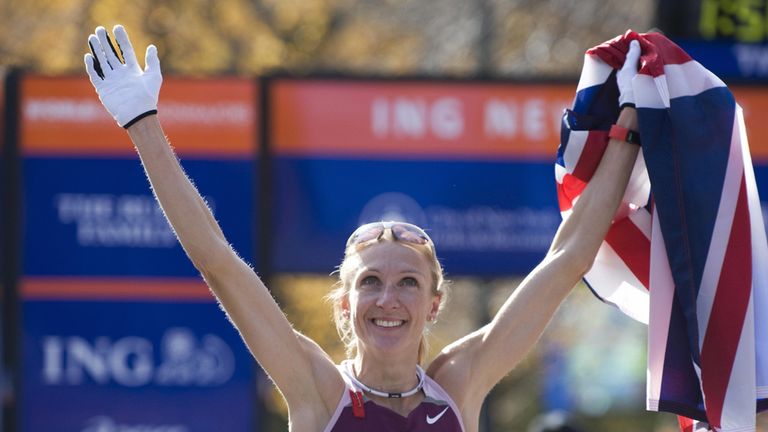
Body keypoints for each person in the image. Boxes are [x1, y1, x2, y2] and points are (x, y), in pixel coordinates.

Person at [85, 25, 641, 432]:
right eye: (370, 282)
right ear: (345, 305)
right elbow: (218, 261)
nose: (388, 298)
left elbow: (568, 259)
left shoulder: (460, 384)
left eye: (407, 283)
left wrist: (631, 129)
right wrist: (142, 123)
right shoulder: (317, 390)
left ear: (434, 304)